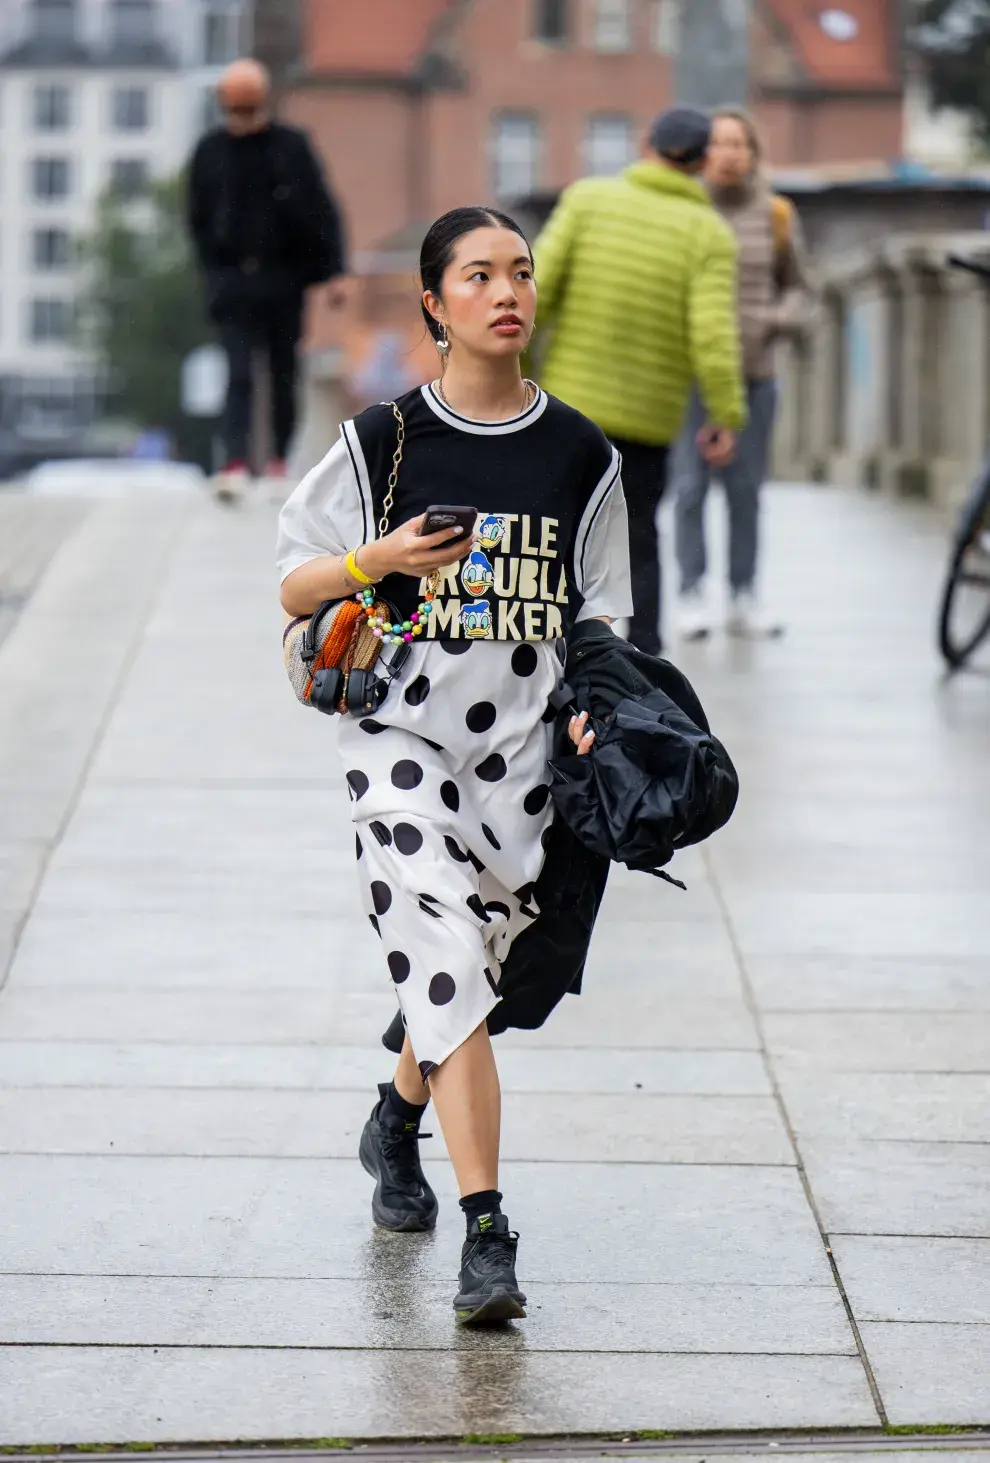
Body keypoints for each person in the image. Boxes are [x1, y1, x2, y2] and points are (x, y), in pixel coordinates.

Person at [277, 206, 631, 1324]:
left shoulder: (580, 452)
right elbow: (294, 586)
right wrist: (370, 559)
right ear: (434, 302)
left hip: (522, 756)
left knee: (478, 968)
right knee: (442, 954)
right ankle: (489, 1234)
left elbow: (605, 618)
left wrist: (595, 718)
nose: (505, 291)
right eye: (477, 275)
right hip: (399, 736)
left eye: (519, 271)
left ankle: (395, 1118)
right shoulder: (383, 438)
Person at [532, 106, 745, 656]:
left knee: (558, 530)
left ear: (646, 142)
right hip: (649, 420)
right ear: (701, 160)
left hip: (568, 410)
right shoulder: (709, 234)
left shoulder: (587, 200)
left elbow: (539, 288)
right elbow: (713, 334)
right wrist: (726, 414)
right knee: (641, 536)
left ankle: (554, 643)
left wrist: (521, 375)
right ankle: (646, 654)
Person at [673, 108, 814, 640]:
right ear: (702, 154)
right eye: (720, 144)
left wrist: (776, 321)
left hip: (756, 373)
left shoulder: (777, 215)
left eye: (740, 144)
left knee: (746, 489)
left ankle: (743, 594)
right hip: (691, 376)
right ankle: (690, 592)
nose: (730, 153)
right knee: (688, 487)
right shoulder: (684, 211)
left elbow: (801, 286)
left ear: (753, 153)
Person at [188, 58, 347, 503]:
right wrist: (212, 273)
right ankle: (235, 463)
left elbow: (320, 208)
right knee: (238, 373)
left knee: (282, 372)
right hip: (233, 281)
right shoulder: (210, 152)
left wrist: (333, 271)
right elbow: (197, 219)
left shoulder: (290, 148)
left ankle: (278, 461)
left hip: (284, 279)